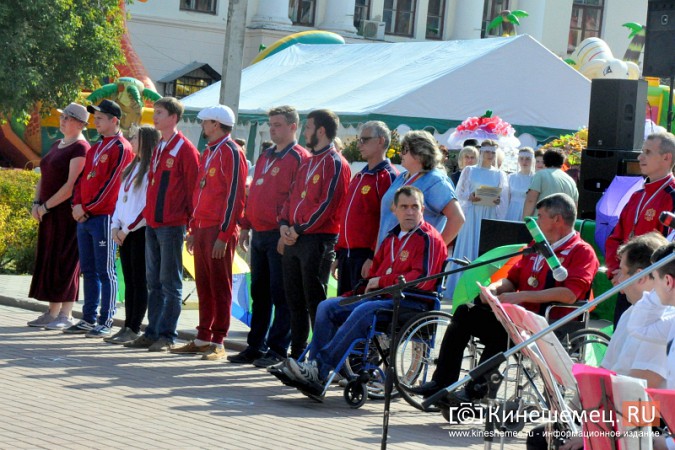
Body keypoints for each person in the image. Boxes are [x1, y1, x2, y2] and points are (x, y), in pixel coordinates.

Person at [410, 193, 598, 401]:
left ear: (557, 219)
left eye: (541, 216)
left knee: (502, 333)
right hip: (519, 319)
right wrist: (494, 289)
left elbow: (570, 295)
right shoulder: (536, 246)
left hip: (549, 324)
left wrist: (521, 297)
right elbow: (512, 279)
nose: (536, 221)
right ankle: (443, 382)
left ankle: (476, 391)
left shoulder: (581, 252)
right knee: (465, 312)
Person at [270, 186, 448, 396]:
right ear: (395, 210)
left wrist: (382, 281)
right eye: (404, 207)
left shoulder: (429, 238)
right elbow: (371, 278)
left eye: (414, 207)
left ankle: (319, 370)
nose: (410, 212)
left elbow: (421, 280)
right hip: (382, 299)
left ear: (423, 209)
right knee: (328, 306)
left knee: (364, 311)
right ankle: (314, 369)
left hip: (411, 302)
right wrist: (353, 295)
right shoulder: (391, 238)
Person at [229, 106, 310, 367]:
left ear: (293, 127)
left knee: (281, 294)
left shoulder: (299, 157)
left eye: (278, 124)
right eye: (271, 124)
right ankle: (256, 345)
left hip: (279, 234)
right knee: (259, 293)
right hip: (259, 233)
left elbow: (297, 197)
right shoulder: (265, 156)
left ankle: (277, 349)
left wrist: (285, 229)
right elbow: (255, 195)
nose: (272, 129)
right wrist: (246, 223)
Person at [170, 105, 247, 361]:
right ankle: (203, 337)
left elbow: (235, 196)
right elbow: (199, 192)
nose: (202, 126)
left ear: (216, 124)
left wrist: (224, 235)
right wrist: (192, 229)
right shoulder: (209, 151)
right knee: (203, 284)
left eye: (205, 122)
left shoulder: (232, 152)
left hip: (218, 229)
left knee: (220, 286)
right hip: (202, 228)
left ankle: (218, 341)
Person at [125, 97, 200, 352]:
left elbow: (192, 190)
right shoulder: (158, 147)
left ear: (173, 118)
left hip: (172, 224)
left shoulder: (185, 149)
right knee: (153, 281)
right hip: (153, 223)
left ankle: (167, 334)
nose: (154, 117)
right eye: (154, 112)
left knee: (170, 282)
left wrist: (191, 226)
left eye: (160, 113)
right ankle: (152, 331)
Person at [278, 109, 351, 359]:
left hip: (317, 240)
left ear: (321, 130)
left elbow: (328, 204)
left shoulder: (336, 162)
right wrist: (284, 225)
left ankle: (318, 356)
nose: (304, 132)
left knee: (314, 302)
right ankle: (296, 353)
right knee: (294, 299)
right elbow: (291, 196)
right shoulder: (308, 161)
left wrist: (297, 229)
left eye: (307, 127)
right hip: (294, 237)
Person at [64, 100, 133, 338]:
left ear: (114, 120)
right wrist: (76, 205)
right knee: (89, 269)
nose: (95, 121)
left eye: (100, 118)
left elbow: (113, 185)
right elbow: (83, 181)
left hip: (103, 217)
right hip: (85, 216)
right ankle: (89, 317)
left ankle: (107, 319)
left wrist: (89, 208)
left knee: (106, 270)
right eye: (95, 117)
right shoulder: (96, 147)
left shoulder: (121, 148)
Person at [27, 103, 89, 330]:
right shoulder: (56, 144)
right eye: (63, 116)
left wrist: (46, 207)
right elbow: (43, 176)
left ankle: (66, 314)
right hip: (48, 213)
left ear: (81, 124)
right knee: (51, 260)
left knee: (66, 261)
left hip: (65, 215)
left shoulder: (81, 148)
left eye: (69, 118)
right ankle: (52, 313)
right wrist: (37, 203)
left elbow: (70, 186)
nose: (63, 120)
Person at [605, 132, 675, 326]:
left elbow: (668, 248)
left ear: (666, 157)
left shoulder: (672, 197)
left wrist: (639, 275)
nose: (639, 157)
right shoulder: (637, 195)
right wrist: (616, 272)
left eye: (647, 152)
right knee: (620, 343)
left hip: (653, 289)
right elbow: (615, 237)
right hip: (626, 284)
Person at [105, 126, 159, 344]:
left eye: (135, 137)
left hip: (139, 231)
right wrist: (115, 226)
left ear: (145, 140)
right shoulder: (131, 167)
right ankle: (127, 325)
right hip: (124, 232)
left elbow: (145, 206)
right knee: (129, 280)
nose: (131, 140)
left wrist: (127, 229)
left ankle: (135, 326)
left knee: (139, 280)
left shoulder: (150, 169)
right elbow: (121, 201)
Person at [332, 120, 398, 295]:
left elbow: (389, 222)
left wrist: (372, 257)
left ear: (381, 141)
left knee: (358, 311)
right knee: (342, 307)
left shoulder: (387, 176)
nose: (359, 144)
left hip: (364, 257)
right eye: (359, 140)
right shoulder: (360, 175)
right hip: (347, 254)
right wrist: (339, 253)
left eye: (365, 140)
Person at [376, 130, 464, 249]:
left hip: (413, 261)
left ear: (420, 153)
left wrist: (434, 250)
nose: (400, 154)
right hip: (388, 254)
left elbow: (457, 218)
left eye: (404, 150)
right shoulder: (402, 177)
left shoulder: (435, 180)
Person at [451, 139, 509, 264]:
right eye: (487, 151)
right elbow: (458, 193)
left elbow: (504, 199)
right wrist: (469, 196)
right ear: (481, 152)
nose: (490, 155)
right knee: (469, 241)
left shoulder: (499, 174)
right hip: (472, 212)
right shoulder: (470, 170)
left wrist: (498, 200)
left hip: (489, 212)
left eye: (493, 152)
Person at [522, 148, 578, 218]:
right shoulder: (570, 180)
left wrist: (525, 221)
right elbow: (574, 206)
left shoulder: (540, 175)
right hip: (563, 225)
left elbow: (531, 200)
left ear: (545, 161)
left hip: (542, 224)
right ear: (562, 162)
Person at [505, 147, 535, 221]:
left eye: (527, 159)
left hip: (528, 211)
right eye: (521, 158)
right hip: (512, 210)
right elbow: (507, 198)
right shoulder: (511, 177)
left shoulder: (535, 178)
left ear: (532, 160)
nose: (524, 162)